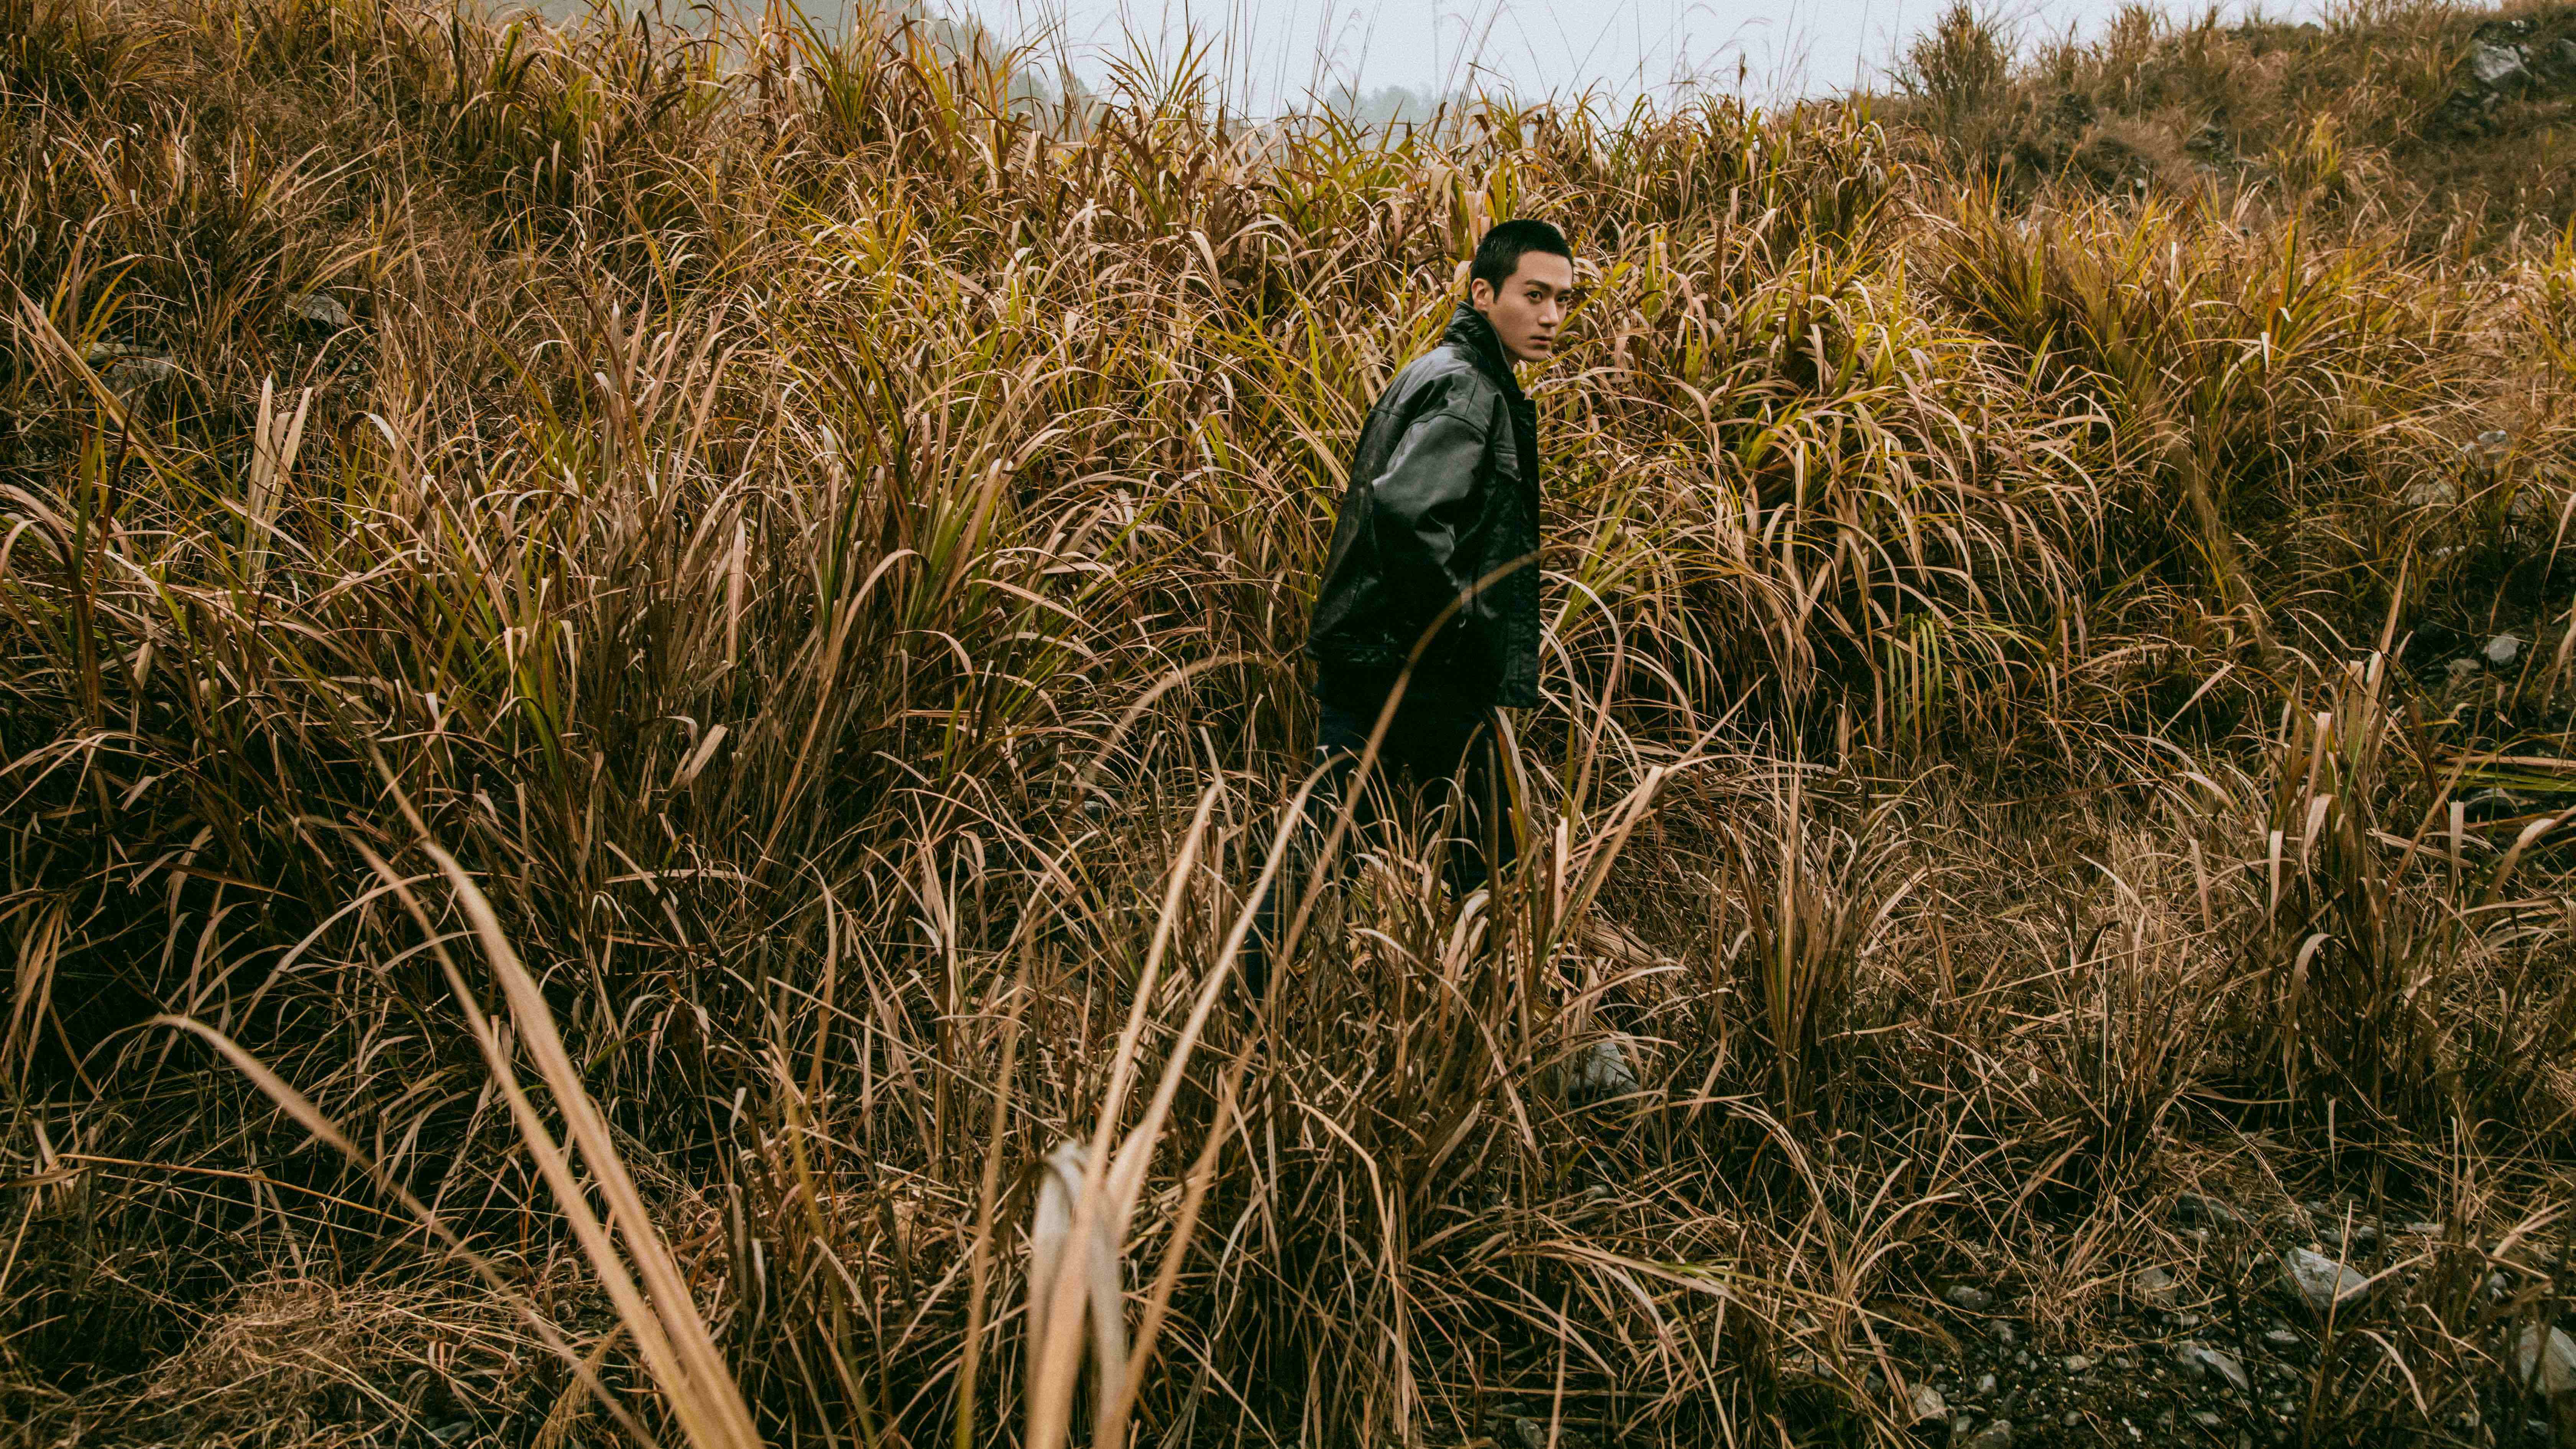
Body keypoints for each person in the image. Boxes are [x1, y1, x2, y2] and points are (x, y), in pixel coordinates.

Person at [1245, 219, 1575, 991]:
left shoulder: (1445, 369)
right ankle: (1499, 1020)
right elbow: (1406, 513)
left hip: (1377, 653)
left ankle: (1246, 995)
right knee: (1486, 850)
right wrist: (1457, 631)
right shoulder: (1469, 386)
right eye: (1535, 296)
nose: (1553, 317)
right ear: (1483, 292)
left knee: (1336, 841)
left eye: (1563, 299)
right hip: (1414, 666)